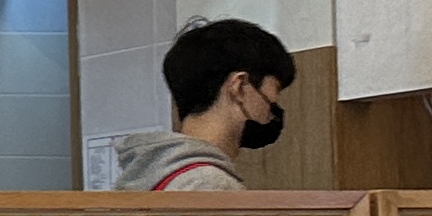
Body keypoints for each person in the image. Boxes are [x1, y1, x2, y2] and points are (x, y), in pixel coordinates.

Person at [106, 18, 296, 194]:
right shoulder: (209, 185)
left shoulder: (147, 179)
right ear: (239, 87)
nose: (271, 111)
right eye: (273, 94)